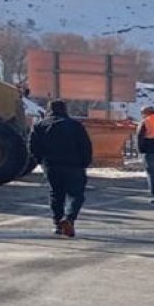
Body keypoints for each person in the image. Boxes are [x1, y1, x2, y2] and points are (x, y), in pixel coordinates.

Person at [28, 100, 92, 238]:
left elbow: (33, 146)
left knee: (56, 194)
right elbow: (85, 145)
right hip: (74, 165)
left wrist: (41, 161)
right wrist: (85, 162)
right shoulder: (75, 125)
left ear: (49, 110)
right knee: (76, 194)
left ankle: (58, 224)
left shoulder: (40, 125)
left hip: (51, 165)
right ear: (65, 109)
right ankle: (69, 218)